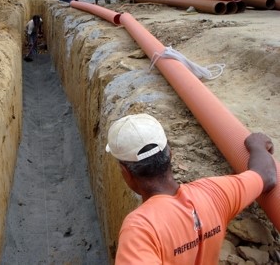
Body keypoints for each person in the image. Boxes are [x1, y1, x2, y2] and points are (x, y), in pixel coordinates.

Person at [105, 113, 277, 264]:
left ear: (126, 172)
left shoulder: (140, 229)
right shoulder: (215, 192)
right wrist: (257, 146)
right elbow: (266, 176)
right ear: (170, 154)